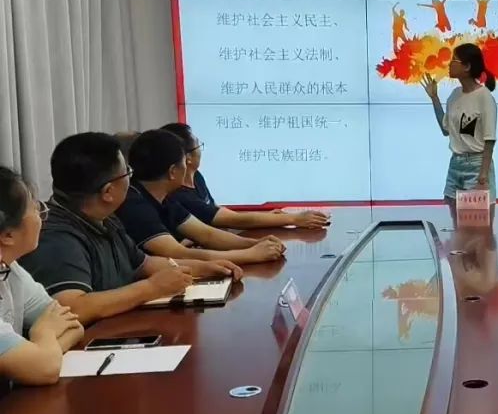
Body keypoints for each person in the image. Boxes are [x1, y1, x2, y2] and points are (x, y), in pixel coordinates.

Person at [19, 132, 243, 324]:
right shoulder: (55, 236)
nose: (131, 179)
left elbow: (144, 263)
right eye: (127, 172)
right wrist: (151, 288)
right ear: (108, 192)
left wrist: (204, 268)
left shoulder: (105, 218)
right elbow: (73, 307)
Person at [117, 130, 286, 265]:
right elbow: (178, 254)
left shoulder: (164, 197)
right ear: (172, 172)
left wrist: (255, 244)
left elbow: (206, 234)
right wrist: (250, 254)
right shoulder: (133, 205)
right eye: (184, 162)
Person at [159, 123, 330, 230]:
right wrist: (295, 219)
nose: (201, 151)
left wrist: (269, 217)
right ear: (187, 158)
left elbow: (216, 209)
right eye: (199, 146)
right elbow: (230, 220)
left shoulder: (196, 176)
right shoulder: (178, 195)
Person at [0, 167, 83, 386]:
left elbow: (73, 325)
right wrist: (43, 334)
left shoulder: (10, 269)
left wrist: (41, 354)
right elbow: (46, 369)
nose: (42, 217)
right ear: (8, 235)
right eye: (35, 209)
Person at [421, 43, 497, 211]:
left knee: (474, 221)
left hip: (477, 165)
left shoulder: (484, 97)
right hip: (455, 164)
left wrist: (483, 175)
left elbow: (490, 140)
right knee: (453, 217)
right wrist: (434, 98)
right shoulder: (455, 95)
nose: (449, 64)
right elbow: (445, 129)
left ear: (467, 66)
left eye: (454, 60)